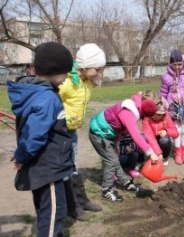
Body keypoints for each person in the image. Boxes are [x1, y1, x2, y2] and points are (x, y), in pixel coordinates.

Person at [7, 42, 74, 237]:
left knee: (47, 211)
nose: (67, 78)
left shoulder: (36, 93)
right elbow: (34, 134)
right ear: (54, 71)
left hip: (43, 166)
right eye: (65, 73)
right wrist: (22, 156)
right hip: (48, 167)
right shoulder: (47, 98)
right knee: (55, 212)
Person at [59, 44, 105, 221]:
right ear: (85, 66)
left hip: (72, 131)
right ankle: (72, 206)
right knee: (65, 167)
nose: (100, 72)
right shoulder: (68, 81)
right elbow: (52, 101)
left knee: (74, 165)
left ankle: (82, 200)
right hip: (61, 131)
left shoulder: (86, 81)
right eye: (97, 69)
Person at [89, 90, 161, 202]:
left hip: (108, 133)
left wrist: (117, 143)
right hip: (99, 134)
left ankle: (126, 182)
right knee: (111, 161)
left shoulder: (135, 109)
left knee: (114, 160)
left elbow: (118, 126)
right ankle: (107, 189)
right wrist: (150, 153)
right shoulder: (129, 112)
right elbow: (136, 135)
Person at [160, 49, 184, 165]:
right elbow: (162, 95)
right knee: (177, 131)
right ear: (171, 64)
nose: (177, 67)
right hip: (173, 109)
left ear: (183, 63)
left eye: (179, 64)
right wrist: (163, 109)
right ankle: (178, 152)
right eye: (175, 65)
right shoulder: (166, 78)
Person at [142, 93, 179, 166]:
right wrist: (159, 153)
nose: (157, 116)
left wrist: (166, 131)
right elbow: (150, 137)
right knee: (143, 137)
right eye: (155, 114)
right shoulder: (147, 118)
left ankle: (164, 157)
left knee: (165, 140)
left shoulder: (166, 116)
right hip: (151, 141)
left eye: (160, 114)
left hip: (160, 140)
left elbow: (176, 133)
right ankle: (143, 159)